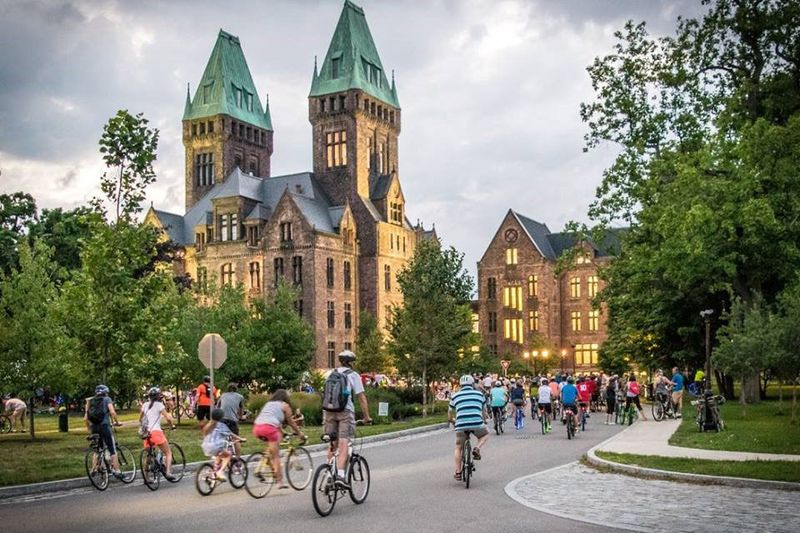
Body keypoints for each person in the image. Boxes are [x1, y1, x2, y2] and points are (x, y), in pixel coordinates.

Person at [322, 350, 371, 489]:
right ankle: (341, 475)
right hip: (345, 412)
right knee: (344, 441)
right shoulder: (353, 375)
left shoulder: (331, 373)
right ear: (351, 363)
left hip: (329, 412)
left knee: (332, 442)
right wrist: (366, 417)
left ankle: (328, 474)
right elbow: (361, 397)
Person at [252, 389, 307, 489]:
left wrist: (283, 433)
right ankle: (280, 482)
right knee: (276, 456)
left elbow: (274, 422)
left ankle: (265, 462)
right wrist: (300, 434)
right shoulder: (285, 406)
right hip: (269, 429)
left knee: (272, 445)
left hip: (257, 428)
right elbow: (291, 422)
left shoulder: (269, 404)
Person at [448, 375, 489, 481]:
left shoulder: (455, 395)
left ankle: (457, 471)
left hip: (461, 424)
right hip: (476, 423)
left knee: (458, 447)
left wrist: (452, 420)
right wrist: (485, 420)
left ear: (460, 385)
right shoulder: (479, 394)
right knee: (485, 434)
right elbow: (484, 411)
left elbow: (450, 412)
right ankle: (477, 448)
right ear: (472, 384)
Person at [84, 385, 123, 477]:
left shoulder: (90, 401)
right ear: (106, 392)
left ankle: (93, 469)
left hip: (94, 428)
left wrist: (89, 428)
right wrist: (117, 422)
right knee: (112, 449)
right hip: (104, 426)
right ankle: (117, 471)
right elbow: (112, 412)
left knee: (97, 450)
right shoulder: (107, 399)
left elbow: (85, 418)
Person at [139, 387, 177, 481]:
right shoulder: (159, 405)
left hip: (147, 433)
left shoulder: (144, 405)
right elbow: (168, 418)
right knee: (168, 453)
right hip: (156, 432)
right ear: (159, 396)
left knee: (149, 455)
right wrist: (172, 425)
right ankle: (168, 472)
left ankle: (146, 478)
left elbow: (140, 419)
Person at [201, 408, 244, 481]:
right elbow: (231, 434)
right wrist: (241, 439)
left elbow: (205, 433)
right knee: (228, 455)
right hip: (216, 447)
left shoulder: (208, 425)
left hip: (205, 447)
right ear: (221, 417)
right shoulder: (221, 425)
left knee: (219, 455)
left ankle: (213, 473)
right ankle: (220, 472)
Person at [217, 383, 244, 454]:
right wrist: (240, 417)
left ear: (228, 389)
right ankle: (238, 460)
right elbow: (241, 409)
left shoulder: (222, 395)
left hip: (222, 419)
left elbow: (218, 406)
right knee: (236, 439)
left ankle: (220, 457)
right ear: (236, 389)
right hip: (232, 420)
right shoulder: (240, 397)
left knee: (220, 438)